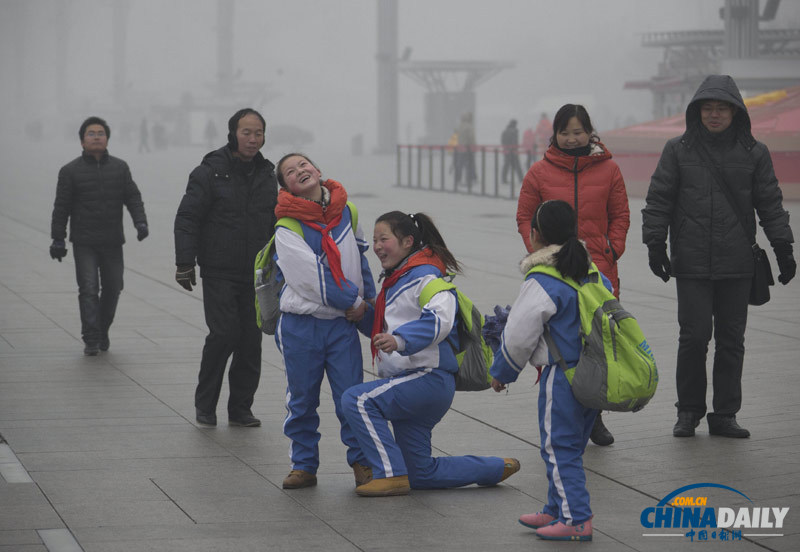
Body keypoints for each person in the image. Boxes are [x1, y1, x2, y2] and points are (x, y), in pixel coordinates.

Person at [642, 75, 796, 439]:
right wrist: (655, 244)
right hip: (691, 261)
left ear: (736, 112)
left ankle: (725, 414)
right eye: (708, 108)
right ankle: (688, 411)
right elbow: (659, 199)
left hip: (737, 262)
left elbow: (770, 203)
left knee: (731, 340)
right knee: (694, 337)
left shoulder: (754, 152)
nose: (714, 115)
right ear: (697, 112)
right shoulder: (677, 150)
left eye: (722, 108)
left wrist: (783, 248)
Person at [341, 211, 520, 497]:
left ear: (408, 241)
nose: (376, 246)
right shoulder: (399, 278)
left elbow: (441, 318)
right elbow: (389, 328)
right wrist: (365, 315)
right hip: (416, 384)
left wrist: (400, 340)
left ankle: (390, 474)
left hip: (426, 378)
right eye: (374, 240)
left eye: (383, 239)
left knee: (357, 400)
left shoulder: (425, 275)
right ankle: (496, 467)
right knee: (420, 474)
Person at [516, 103, 630, 447]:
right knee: (558, 344)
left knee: (597, 343)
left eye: (578, 132)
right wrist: (540, 254)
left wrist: (611, 249)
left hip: (597, 269)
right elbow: (525, 216)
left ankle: (594, 416)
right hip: (553, 272)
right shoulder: (539, 172)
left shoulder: (610, 170)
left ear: (589, 132)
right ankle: (561, 409)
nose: (571, 138)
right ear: (555, 134)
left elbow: (620, 214)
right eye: (564, 132)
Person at [490, 200, 600, 541]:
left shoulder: (542, 279)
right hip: (593, 374)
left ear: (535, 235)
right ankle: (555, 509)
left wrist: (502, 372)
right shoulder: (589, 270)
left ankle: (576, 519)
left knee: (557, 448)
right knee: (570, 447)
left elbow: (519, 336)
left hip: (562, 377)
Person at [271, 153, 376, 490]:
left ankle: (362, 463)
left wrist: (369, 309)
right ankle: (303, 465)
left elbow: (360, 263)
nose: (300, 171)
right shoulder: (287, 226)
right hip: (301, 326)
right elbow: (310, 279)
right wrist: (354, 302)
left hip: (341, 326)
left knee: (351, 398)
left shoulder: (348, 212)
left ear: (317, 170)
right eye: (290, 172)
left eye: (303, 165)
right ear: (287, 187)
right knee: (301, 399)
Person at [174, 108, 278, 428]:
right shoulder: (209, 172)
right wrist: (184, 262)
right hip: (219, 269)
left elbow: (276, 222)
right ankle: (205, 405)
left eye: (258, 133)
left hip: (256, 274)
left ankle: (241, 408)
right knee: (223, 334)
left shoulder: (267, 175)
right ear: (233, 134)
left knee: (250, 341)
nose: (253, 139)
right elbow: (188, 217)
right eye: (246, 132)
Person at [50, 116, 149, 356]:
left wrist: (140, 222)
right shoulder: (69, 171)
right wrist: (58, 238)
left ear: (107, 139)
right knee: (89, 288)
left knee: (114, 288)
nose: (96, 137)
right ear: (82, 141)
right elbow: (61, 207)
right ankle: (91, 337)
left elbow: (132, 196)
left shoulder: (120, 168)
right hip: (84, 242)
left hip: (112, 241)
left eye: (101, 133)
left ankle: (102, 329)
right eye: (91, 133)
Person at [454, 112, 476, 187]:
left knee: (459, 165)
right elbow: (471, 137)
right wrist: (473, 147)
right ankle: (468, 181)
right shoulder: (469, 126)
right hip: (467, 148)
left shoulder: (459, 126)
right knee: (468, 165)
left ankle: (458, 180)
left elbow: (455, 135)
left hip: (460, 148)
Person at [501, 119, 524, 184]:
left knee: (506, 165)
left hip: (507, 151)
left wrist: (506, 148)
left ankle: (504, 179)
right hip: (513, 151)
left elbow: (503, 141)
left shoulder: (505, 131)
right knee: (517, 166)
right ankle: (521, 179)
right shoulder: (514, 131)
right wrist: (514, 149)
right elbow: (515, 142)